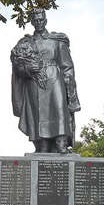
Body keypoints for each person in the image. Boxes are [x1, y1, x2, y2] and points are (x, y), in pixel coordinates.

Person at [11, 9, 81, 154]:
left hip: (55, 79)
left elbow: (67, 66)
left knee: (59, 109)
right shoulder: (26, 43)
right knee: (37, 111)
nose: (39, 22)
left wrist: (70, 89)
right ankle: (42, 145)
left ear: (45, 20)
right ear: (32, 22)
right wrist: (29, 70)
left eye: (41, 19)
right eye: (36, 20)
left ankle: (61, 142)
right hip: (34, 81)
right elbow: (17, 68)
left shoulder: (57, 41)